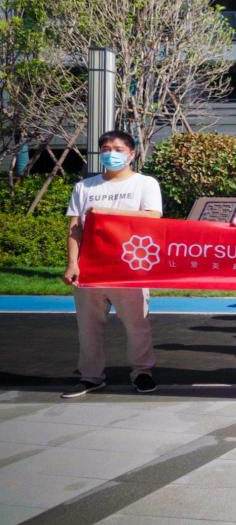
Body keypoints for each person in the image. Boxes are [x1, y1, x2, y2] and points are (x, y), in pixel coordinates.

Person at [61, 130, 164, 398]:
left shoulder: (145, 183)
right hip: (91, 267)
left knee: (137, 325)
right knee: (88, 327)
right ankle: (90, 375)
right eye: (106, 149)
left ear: (131, 154)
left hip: (130, 267)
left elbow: (152, 217)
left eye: (118, 149)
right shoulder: (84, 187)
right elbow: (75, 227)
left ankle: (142, 372)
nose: (111, 154)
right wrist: (72, 263)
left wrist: (107, 212)